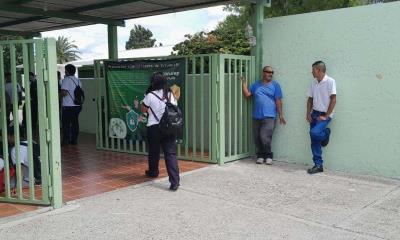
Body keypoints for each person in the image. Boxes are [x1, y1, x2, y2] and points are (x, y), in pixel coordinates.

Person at [141, 72, 180, 191]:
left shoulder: (150, 95)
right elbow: (174, 107)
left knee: (154, 151)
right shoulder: (170, 95)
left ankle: (153, 172)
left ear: (153, 82)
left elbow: (143, 109)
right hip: (169, 127)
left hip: (154, 127)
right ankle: (174, 181)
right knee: (170, 154)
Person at [241, 66, 286, 165]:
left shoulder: (275, 85)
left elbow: (278, 101)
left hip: (269, 116)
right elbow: (247, 95)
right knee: (257, 137)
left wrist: (281, 115)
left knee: (264, 136)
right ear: (263, 73)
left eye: (272, 72)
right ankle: (260, 155)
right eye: (268, 72)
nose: (270, 74)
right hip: (257, 115)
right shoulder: (256, 84)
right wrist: (243, 83)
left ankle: (268, 155)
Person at [306, 61, 337, 174]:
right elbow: (310, 99)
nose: (311, 72)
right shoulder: (313, 83)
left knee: (314, 133)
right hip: (314, 114)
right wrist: (308, 113)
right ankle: (318, 165)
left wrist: (326, 116)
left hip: (324, 115)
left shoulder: (330, 81)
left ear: (319, 70)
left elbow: (333, 99)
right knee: (314, 140)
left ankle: (326, 133)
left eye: (313, 70)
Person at [60, 64, 82, 146]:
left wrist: (58, 94)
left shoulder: (66, 80)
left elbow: (64, 93)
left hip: (68, 106)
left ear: (67, 71)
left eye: (65, 70)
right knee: (75, 123)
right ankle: (74, 140)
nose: (64, 71)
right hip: (77, 106)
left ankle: (65, 141)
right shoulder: (78, 80)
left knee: (66, 124)